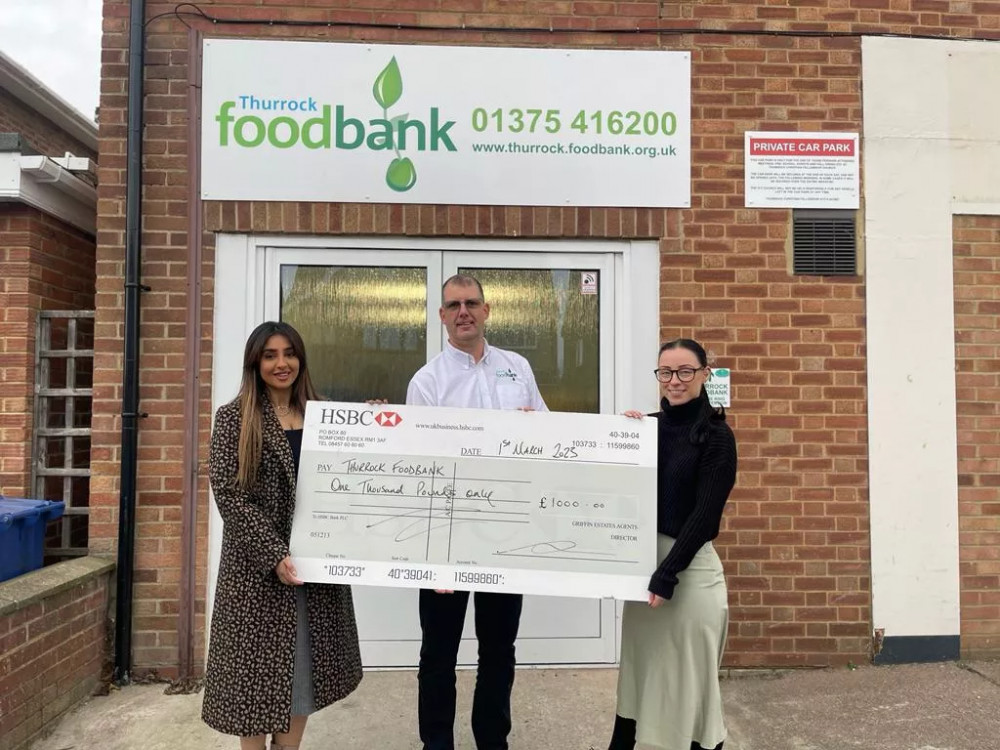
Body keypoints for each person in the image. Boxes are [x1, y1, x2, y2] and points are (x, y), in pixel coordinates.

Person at [202, 321, 363, 750]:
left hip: (313, 569)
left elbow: (349, 482)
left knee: (302, 675)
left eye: (289, 353)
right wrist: (274, 554)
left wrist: (371, 428)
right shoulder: (234, 418)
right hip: (257, 574)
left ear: (300, 359)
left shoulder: (324, 416)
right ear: (255, 362)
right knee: (252, 685)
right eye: (270, 355)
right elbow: (229, 493)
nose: (281, 363)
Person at [406, 274, 547, 750]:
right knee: (439, 653)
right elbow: (419, 463)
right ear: (442, 316)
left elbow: (549, 437)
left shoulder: (518, 368)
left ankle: (493, 740)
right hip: (446, 536)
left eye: (472, 303)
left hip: (507, 534)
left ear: (487, 310)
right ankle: (437, 744)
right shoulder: (427, 382)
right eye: (453, 305)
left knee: (499, 651)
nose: (463, 311)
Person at [606, 338, 738, 750]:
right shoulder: (645, 429)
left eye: (685, 371)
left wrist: (666, 575)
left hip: (686, 574)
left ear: (704, 375)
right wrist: (619, 438)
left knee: (688, 688)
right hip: (644, 574)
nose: (674, 381)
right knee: (641, 680)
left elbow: (704, 519)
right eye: (666, 372)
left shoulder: (717, 436)